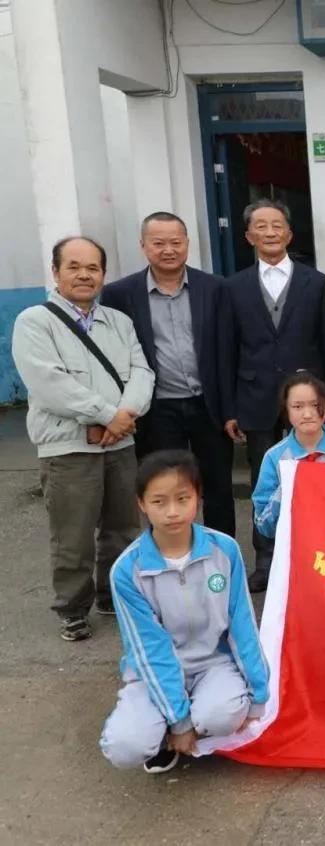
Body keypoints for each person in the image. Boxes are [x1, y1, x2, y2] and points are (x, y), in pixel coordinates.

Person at [12, 237, 155, 641]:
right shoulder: (34, 322)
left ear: (103, 275)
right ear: (56, 272)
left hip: (120, 445)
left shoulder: (118, 322)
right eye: (74, 267)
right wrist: (111, 415)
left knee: (122, 528)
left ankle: (113, 594)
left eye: (93, 268)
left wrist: (124, 417)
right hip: (68, 448)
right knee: (72, 535)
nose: (84, 275)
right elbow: (50, 383)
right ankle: (72, 608)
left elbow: (142, 373)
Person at [99, 450, 269, 774]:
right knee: (124, 747)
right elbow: (151, 650)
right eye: (159, 502)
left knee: (225, 714)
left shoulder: (225, 550)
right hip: (152, 674)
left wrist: (259, 694)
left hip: (212, 664)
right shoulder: (127, 570)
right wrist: (179, 721)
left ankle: (194, 714)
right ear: (141, 504)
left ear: (198, 498)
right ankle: (162, 730)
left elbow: (242, 625)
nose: (172, 512)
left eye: (182, 498)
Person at [221, 198, 325, 591]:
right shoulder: (232, 287)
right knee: (263, 482)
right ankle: (266, 561)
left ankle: (314, 555)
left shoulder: (316, 282)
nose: (270, 232)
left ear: (289, 233)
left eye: (277, 225)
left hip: (307, 401)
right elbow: (228, 349)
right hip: (255, 401)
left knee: (315, 477)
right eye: (261, 226)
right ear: (249, 235)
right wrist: (230, 407)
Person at [100, 212, 234, 537]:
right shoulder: (120, 294)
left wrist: (231, 409)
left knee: (217, 486)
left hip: (208, 405)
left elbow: (228, 350)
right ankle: (170, 554)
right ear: (144, 246)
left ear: (187, 244)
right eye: (158, 243)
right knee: (164, 486)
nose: (168, 250)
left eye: (176, 242)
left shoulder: (214, 288)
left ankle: (222, 553)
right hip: (157, 409)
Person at [252, 372, 325, 544]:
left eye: (315, 405)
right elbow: (263, 525)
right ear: (286, 409)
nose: (307, 414)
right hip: (297, 549)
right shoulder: (274, 457)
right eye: (297, 407)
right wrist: (287, 489)